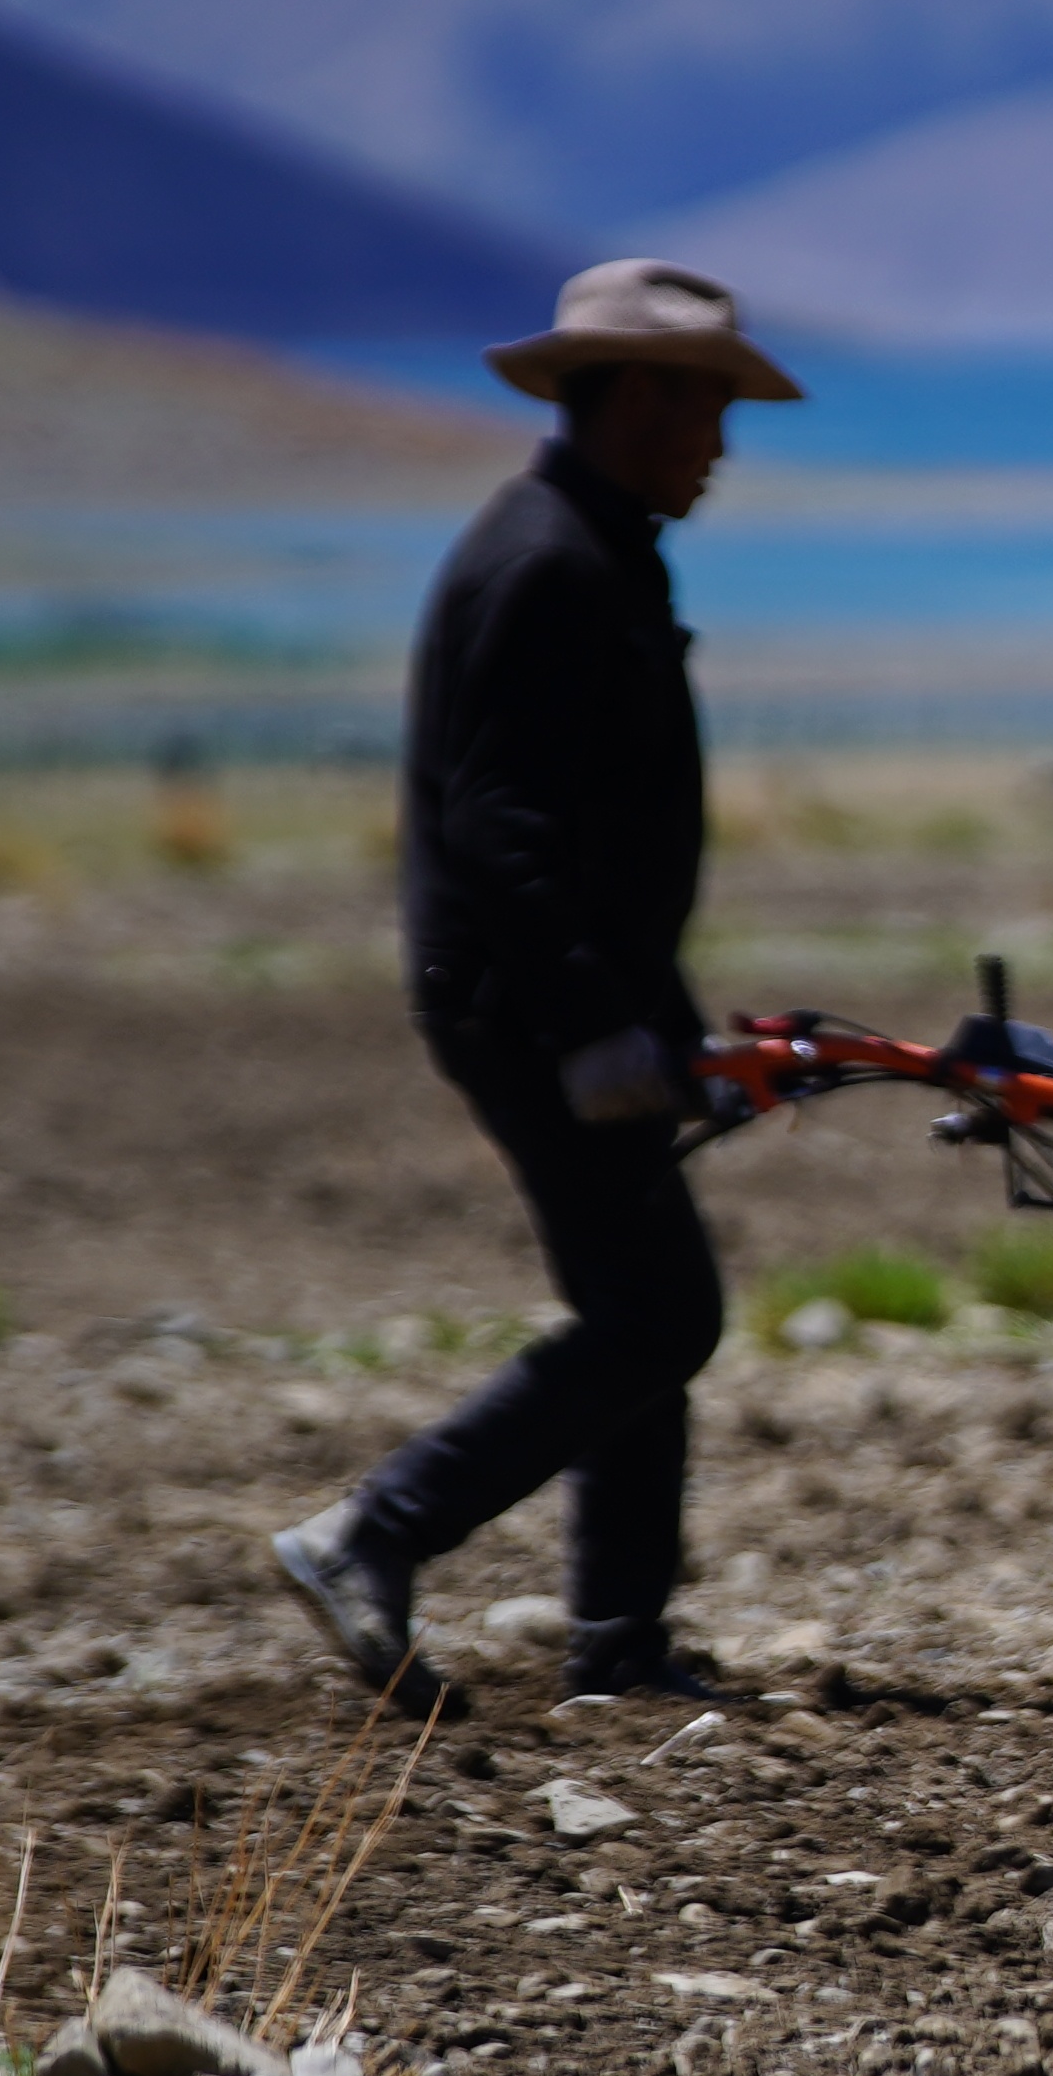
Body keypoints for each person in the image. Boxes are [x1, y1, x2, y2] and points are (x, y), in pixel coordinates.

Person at [271, 259, 802, 1714]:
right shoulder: (545, 561)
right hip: (523, 1006)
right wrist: (592, 1028)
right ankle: (375, 1533)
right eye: (703, 408)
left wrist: (672, 1027)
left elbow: (598, 840)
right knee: (655, 1316)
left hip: (570, 999)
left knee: (644, 1310)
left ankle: (618, 1643)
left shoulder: (598, 542)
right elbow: (500, 826)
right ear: (630, 396)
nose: (721, 444)